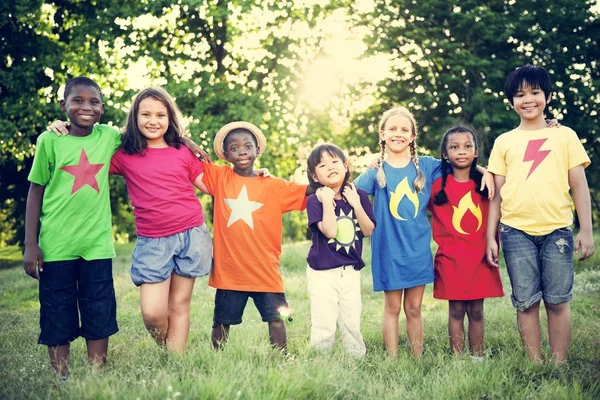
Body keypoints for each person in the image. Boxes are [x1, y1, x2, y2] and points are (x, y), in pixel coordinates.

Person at [354, 106, 493, 358]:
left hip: (417, 250)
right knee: (392, 307)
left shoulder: (427, 167)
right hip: (388, 250)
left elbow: (461, 165)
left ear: (413, 136)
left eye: (404, 129)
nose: (399, 133)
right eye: (392, 129)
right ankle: (393, 361)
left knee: (415, 307)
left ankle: (417, 359)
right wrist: (366, 164)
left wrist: (486, 172)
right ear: (382, 134)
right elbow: (350, 192)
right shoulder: (376, 171)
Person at [486, 64, 594, 365]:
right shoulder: (504, 142)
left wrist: (585, 230)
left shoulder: (565, 136)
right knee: (525, 301)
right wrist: (491, 237)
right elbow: (496, 194)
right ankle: (535, 363)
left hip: (557, 229)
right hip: (514, 231)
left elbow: (579, 185)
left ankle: (558, 363)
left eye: (535, 92)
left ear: (547, 96)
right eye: (520, 94)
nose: (528, 99)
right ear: (511, 101)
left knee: (558, 300)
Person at [24, 77, 121, 378]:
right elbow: (35, 191)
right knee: (57, 311)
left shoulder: (109, 137)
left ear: (102, 108)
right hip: (56, 245)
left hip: (96, 244)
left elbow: (149, 135)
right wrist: (30, 244)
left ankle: (96, 376)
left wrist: (187, 140)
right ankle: (61, 377)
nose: (86, 107)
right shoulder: (49, 140)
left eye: (93, 102)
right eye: (77, 100)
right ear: (63, 105)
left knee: (99, 308)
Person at [108, 87, 212, 354]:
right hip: (152, 241)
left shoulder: (183, 152)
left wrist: (250, 174)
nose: (153, 121)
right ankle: (167, 346)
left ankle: (176, 362)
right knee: (153, 313)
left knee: (179, 304)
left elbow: (211, 185)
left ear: (170, 118)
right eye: (145, 114)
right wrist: (61, 127)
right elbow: (86, 148)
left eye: (160, 115)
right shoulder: (124, 154)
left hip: (191, 234)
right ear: (135, 117)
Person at [199, 121, 309, 352]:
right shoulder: (220, 178)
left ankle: (281, 358)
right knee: (221, 321)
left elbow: (306, 191)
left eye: (248, 146)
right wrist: (189, 142)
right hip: (230, 270)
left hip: (264, 269)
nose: (242, 152)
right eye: (235, 148)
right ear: (226, 155)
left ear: (258, 151)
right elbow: (186, 162)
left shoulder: (273, 185)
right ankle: (216, 359)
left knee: (276, 318)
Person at [429, 126, 504, 358]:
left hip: (479, 258)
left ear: (476, 152)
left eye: (467, 146)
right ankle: (459, 359)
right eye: (454, 147)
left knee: (477, 311)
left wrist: (487, 173)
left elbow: (508, 182)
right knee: (456, 310)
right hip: (451, 260)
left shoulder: (487, 183)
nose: (461, 151)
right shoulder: (436, 186)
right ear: (444, 154)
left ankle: (478, 357)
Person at [305, 143, 376, 357]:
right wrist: (327, 201)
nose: (330, 167)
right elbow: (330, 231)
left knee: (351, 320)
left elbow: (368, 229)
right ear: (315, 176)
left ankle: (356, 359)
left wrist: (356, 204)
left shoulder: (359, 195)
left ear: (346, 166)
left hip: (350, 271)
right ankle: (320, 361)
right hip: (322, 272)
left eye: (335, 161)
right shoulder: (315, 200)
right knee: (324, 322)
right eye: (322, 165)